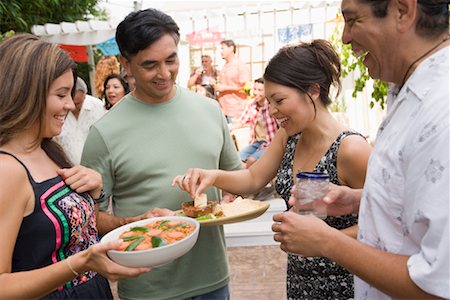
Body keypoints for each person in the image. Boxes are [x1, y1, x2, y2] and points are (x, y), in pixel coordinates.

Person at [272, 1, 450, 299]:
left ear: (403, 11)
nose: (344, 38)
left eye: (352, 20)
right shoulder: (410, 92)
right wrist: (358, 200)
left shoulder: (441, 109)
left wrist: (327, 242)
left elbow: (438, 285)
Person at [173, 39, 372, 299]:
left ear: (313, 90)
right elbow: (253, 178)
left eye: (279, 100)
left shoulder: (351, 149)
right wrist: (212, 176)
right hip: (300, 281)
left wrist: (324, 241)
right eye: (269, 102)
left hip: (346, 284)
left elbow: (386, 224)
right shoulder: (289, 136)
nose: (273, 111)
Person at [81, 9, 242, 300]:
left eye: (171, 59)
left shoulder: (209, 111)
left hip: (213, 280)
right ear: (125, 65)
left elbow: (239, 180)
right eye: (150, 65)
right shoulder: (104, 132)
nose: (165, 73)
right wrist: (132, 222)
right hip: (148, 288)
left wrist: (222, 202)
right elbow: (89, 218)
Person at [0, 33, 149, 299]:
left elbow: (76, 233)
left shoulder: (49, 149)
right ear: (25, 94)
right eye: (61, 94)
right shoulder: (7, 170)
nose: (70, 105)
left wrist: (97, 194)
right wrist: (78, 264)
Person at [54, 77, 106, 164]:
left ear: (85, 95)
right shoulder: (57, 111)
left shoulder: (98, 107)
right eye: (73, 102)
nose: (73, 107)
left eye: (78, 103)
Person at [230, 77, 279, 168]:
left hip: (271, 144)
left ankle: (247, 179)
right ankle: (243, 177)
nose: (256, 92)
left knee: (251, 160)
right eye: (255, 89)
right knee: (235, 158)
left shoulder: (271, 107)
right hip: (257, 143)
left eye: (260, 90)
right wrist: (227, 128)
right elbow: (241, 122)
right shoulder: (252, 105)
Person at [215, 39, 251, 123]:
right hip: (223, 109)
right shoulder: (225, 66)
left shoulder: (240, 66)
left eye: (222, 48)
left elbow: (246, 88)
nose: (221, 51)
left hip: (235, 110)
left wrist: (225, 88)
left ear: (231, 48)